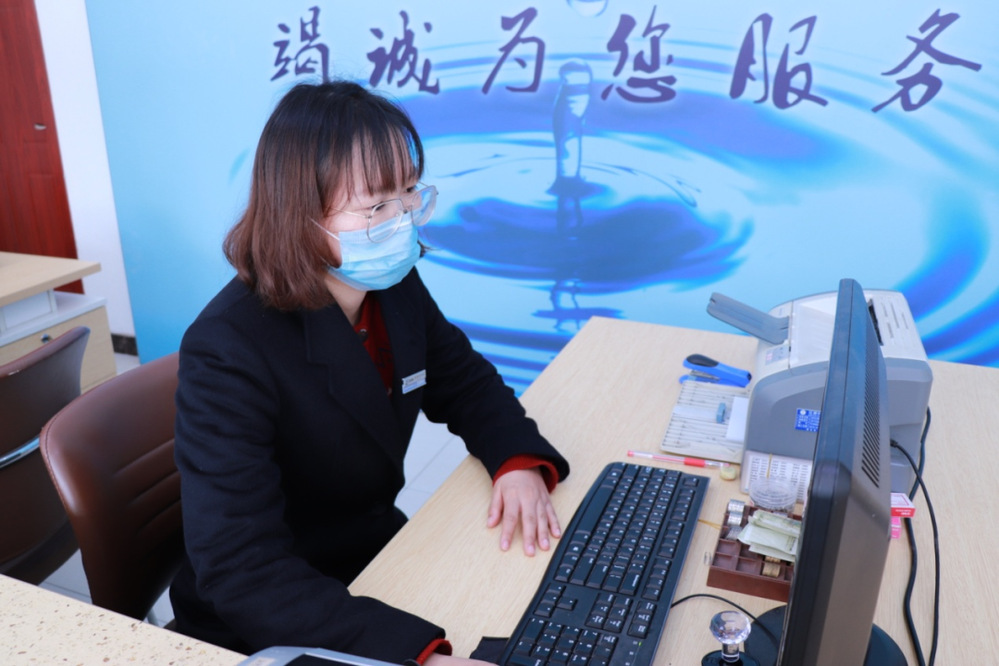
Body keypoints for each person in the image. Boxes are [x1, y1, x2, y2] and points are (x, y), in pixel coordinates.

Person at [169, 80, 571, 665]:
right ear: (300, 216)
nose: (403, 220)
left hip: (374, 560)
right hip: (275, 618)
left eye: (408, 193)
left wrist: (515, 461)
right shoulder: (227, 348)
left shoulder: (390, 286)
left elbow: (464, 381)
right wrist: (422, 658)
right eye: (377, 206)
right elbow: (242, 570)